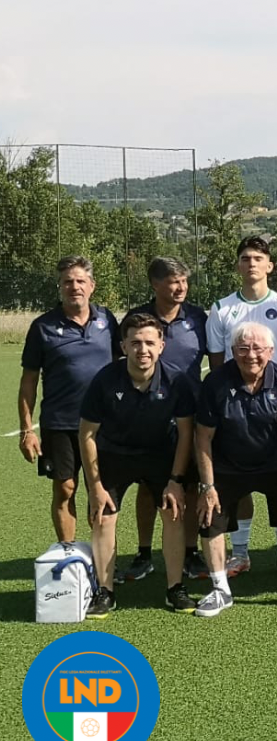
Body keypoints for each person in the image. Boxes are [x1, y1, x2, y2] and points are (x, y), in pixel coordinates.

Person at [193, 322, 277, 616]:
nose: (250, 355)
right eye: (243, 348)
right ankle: (220, 590)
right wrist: (208, 486)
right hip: (227, 465)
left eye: (257, 348)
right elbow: (203, 437)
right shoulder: (215, 381)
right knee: (209, 515)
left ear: (271, 351)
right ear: (232, 351)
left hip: (273, 463)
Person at [79, 313, 197, 618]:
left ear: (161, 346)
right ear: (123, 346)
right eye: (135, 343)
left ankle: (175, 588)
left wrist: (176, 480)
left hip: (160, 455)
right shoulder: (105, 380)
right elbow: (87, 435)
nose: (142, 349)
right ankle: (105, 592)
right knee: (103, 516)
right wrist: (95, 487)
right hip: (114, 454)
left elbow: (186, 434)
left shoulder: (177, 381)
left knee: (173, 512)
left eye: (149, 343)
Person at [206, 236, 277, 577]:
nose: (251, 264)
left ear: (269, 265)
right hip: (233, 408)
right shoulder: (222, 308)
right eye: (245, 258)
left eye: (258, 258)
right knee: (238, 483)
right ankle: (241, 552)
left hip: (274, 406)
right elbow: (217, 363)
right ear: (238, 265)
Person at [18, 255, 121, 543]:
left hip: (103, 424)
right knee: (65, 488)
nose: (74, 287)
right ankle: (69, 553)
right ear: (60, 287)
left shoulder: (107, 321)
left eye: (80, 281)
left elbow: (122, 365)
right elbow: (28, 381)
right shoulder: (43, 327)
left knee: (100, 489)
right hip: (60, 422)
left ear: (92, 286)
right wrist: (27, 430)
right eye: (67, 282)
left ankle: (101, 558)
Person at [124, 256, 209, 583]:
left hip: (190, 415)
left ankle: (190, 552)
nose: (181, 287)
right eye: (174, 281)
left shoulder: (198, 318)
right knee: (148, 487)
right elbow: (121, 363)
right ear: (155, 284)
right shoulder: (137, 318)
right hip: (148, 415)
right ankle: (144, 553)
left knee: (190, 486)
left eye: (184, 281)